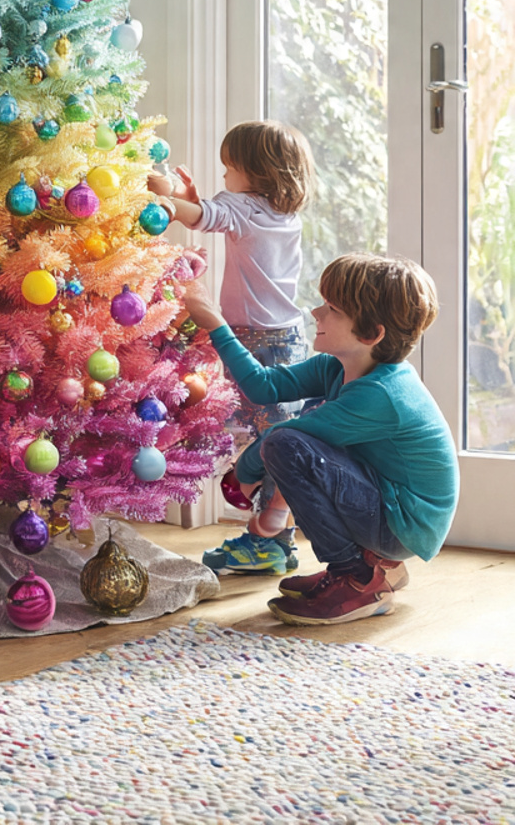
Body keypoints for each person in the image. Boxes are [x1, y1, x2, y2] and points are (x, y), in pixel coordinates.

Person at [182, 254, 458, 625]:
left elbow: (286, 439)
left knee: (286, 446)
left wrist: (243, 471)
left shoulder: (381, 393)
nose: (315, 313)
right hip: (388, 502)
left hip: (402, 525)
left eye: (332, 309)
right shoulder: (339, 365)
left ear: (371, 334)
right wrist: (214, 322)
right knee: (294, 437)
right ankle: (374, 568)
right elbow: (263, 386)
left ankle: (356, 579)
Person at [149, 120, 315, 576]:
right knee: (272, 436)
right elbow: (214, 213)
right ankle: (276, 538)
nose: (225, 175)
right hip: (285, 337)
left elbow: (204, 217)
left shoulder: (243, 206)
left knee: (271, 440)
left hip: (258, 340)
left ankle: (270, 539)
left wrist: (166, 200)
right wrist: (197, 199)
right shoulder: (280, 212)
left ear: (254, 171)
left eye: (229, 167)